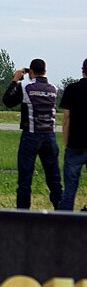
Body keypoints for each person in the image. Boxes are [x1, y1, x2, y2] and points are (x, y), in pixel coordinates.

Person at [2, 58, 62, 209]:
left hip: (31, 135)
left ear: (31, 72)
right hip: (50, 135)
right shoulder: (53, 88)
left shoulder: (25, 86)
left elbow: (7, 101)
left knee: (25, 178)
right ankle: (61, 210)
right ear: (45, 71)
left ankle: (23, 213)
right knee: (54, 178)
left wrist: (15, 80)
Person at [56, 58, 87, 211]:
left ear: (83, 70)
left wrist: (66, 141)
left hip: (75, 143)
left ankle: (65, 220)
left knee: (70, 187)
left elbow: (66, 118)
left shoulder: (71, 89)